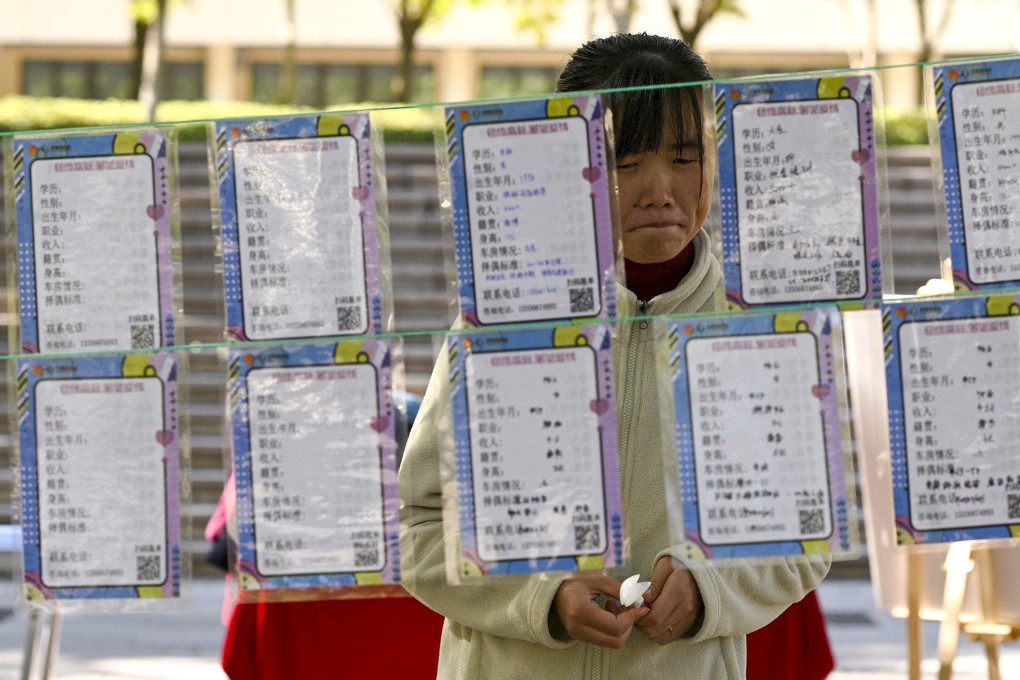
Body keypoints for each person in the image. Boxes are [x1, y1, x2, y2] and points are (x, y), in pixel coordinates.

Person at [399, 33, 829, 679]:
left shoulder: (762, 322)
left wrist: (707, 586)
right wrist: (543, 600)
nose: (660, 189)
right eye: (626, 163)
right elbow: (418, 527)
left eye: (685, 158)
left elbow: (806, 536)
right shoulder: (502, 313)